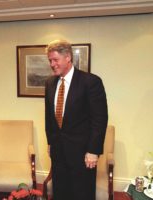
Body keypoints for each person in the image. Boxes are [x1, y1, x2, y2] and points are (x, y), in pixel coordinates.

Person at [44, 40, 108, 200]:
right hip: (58, 151)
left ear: (68, 57)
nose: (52, 64)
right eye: (50, 60)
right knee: (60, 191)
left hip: (82, 153)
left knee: (81, 193)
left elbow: (99, 119)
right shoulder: (50, 83)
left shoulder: (91, 82)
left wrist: (93, 151)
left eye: (55, 60)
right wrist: (50, 142)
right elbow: (49, 117)